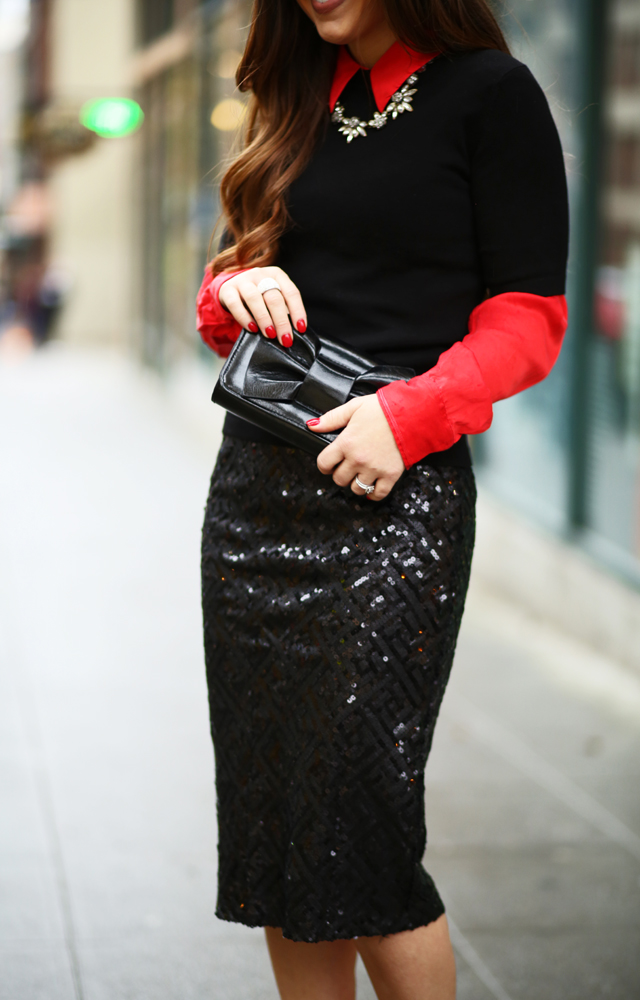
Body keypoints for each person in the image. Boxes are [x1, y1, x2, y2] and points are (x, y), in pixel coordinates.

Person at [197, 0, 568, 996]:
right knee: (276, 829)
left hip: (394, 498)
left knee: (362, 836)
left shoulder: (491, 95)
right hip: (254, 498)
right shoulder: (293, 95)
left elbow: (529, 319)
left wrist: (410, 416)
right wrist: (233, 288)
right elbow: (238, 279)